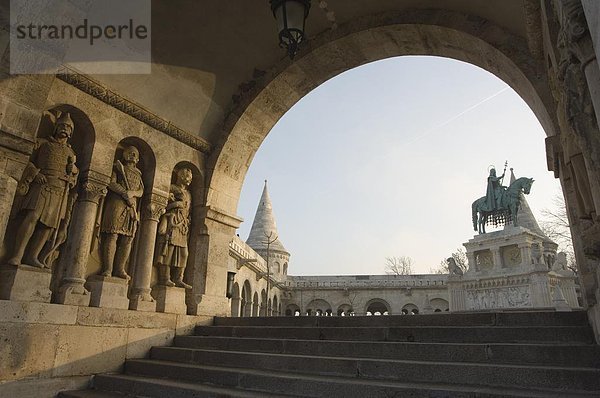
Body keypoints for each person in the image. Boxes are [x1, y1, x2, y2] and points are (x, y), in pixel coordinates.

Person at [8, 112, 78, 268]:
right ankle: (17, 254)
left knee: (48, 226)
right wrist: (36, 173)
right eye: (62, 125)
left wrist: (72, 174)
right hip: (42, 186)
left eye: (68, 127)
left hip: (59, 191)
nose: (64, 129)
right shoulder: (42, 144)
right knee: (32, 217)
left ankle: (32, 256)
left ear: (71, 132)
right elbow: (26, 160)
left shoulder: (71, 154)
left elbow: (73, 179)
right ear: (56, 127)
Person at [99, 145, 144, 280]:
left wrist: (133, 193)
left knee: (128, 239)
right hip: (117, 203)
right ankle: (108, 269)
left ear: (138, 159)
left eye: (135, 154)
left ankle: (120, 269)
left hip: (131, 207)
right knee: (113, 235)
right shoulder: (118, 168)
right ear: (124, 155)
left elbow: (141, 191)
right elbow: (112, 183)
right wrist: (125, 193)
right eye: (129, 153)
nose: (132, 155)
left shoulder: (138, 174)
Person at [155, 167, 193, 289]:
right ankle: (164, 278)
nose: (189, 180)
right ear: (181, 176)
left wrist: (187, 221)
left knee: (184, 254)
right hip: (172, 221)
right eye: (187, 177)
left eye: (191, 179)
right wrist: (176, 204)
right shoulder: (171, 188)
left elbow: (188, 210)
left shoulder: (188, 194)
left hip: (182, 225)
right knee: (168, 251)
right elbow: (160, 203)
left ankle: (178, 278)